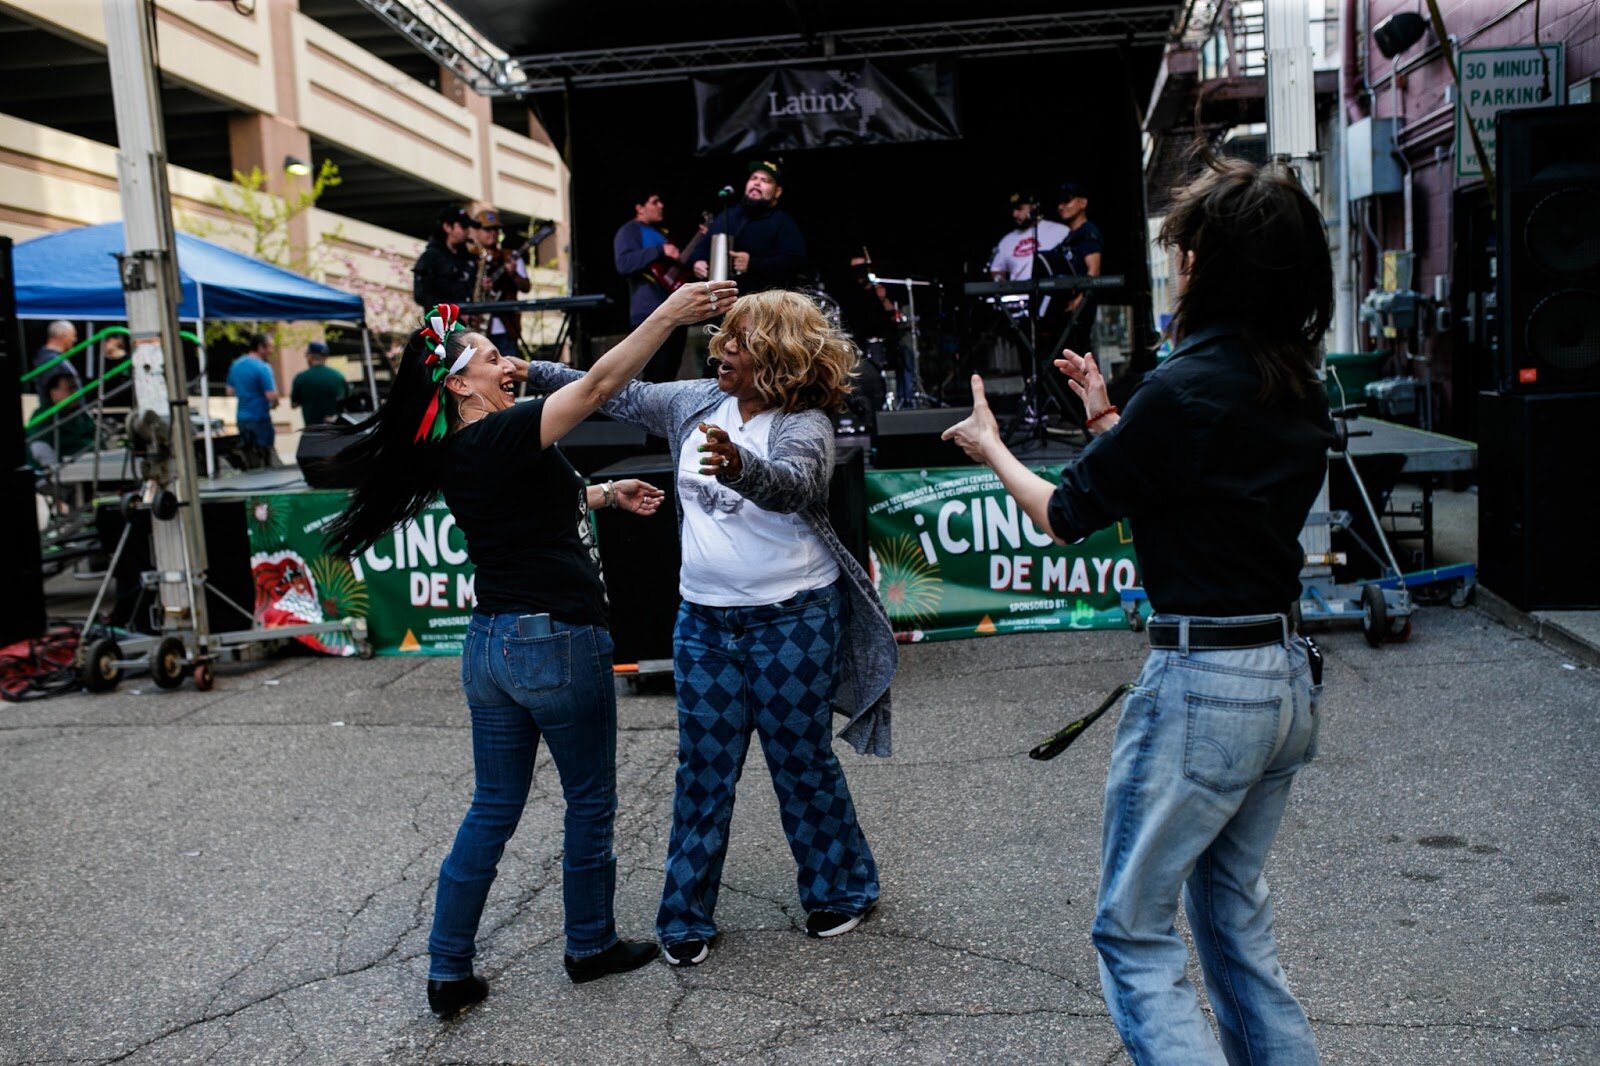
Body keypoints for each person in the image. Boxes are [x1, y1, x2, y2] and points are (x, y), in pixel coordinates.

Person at [943, 156, 1334, 1065]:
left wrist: (992, 447)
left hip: (1208, 686)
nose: (1177, 265)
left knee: (1133, 931)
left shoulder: (1187, 387)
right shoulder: (1291, 382)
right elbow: (1198, 488)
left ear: (1211, 265)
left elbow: (1065, 514)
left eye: (1186, 251)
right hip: (1281, 680)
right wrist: (1107, 416)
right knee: (1232, 918)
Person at [323, 278, 736, 1017]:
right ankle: (590, 945)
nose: (503, 362)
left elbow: (526, 511)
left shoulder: (465, 448)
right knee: (589, 803)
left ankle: (448, 971)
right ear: (459, 384)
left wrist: (607, 497)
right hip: (552, 638)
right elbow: (607, 382)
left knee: (492, 809)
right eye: (487, 356)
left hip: (491, 645)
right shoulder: (500, 431)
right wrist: (671, 311)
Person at [517, 288, 896, 970]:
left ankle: (844, 889)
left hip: (794, 623)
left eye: (739, 341)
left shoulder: (804, 421)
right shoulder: (694, 402)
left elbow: (798, 485)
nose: (722, 347)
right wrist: (531, 373)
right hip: (704, 626)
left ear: (777, 355)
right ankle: (686, 915)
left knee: (800, 764)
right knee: (704, 772)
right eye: (722, 336)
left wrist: (741, 467)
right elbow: (614, 392)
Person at [692, 161, 807, 292]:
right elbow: (702, 246)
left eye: (765, 180)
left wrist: (752, 264)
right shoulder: (728, 215)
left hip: (759, 302)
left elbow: (795, 262)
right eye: (754, 178)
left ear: (777, 192)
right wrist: (698, 261)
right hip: (718, 299)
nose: (757, 183)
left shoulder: (783, 222)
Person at [614, 190, 692, 383]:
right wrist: (660, 250)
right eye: (655, 202)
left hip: (675, 310)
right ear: (640, 208)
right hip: (649, 312)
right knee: (656, 374)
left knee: (671, 371)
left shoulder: (662, 233)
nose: (660, 206)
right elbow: (623, 263)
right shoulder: (630, 230)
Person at [1045, 180, 1105, 358]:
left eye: (1068, 201)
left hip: (1079, 309)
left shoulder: (1087, 232)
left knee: (1079, 354)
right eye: (1060, 203)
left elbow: (1093, 271)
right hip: (1065, 308)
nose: (1062, 206)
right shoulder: (1067, 237)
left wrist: (1079, 301)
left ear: (1082, 203)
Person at [467, 206, 531, 354]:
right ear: (476, 231)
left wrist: (513, 274)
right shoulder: (468, 257)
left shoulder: (511, 256)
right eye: (488, 230)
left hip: (506, 328)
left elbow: (526, 287)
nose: (493, 233)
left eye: (496, 229)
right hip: (476, 327)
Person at [988, 192, 1069, 283]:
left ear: (1034, 207)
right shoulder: (1007, 240)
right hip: (1018, 294)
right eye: (1013, 210)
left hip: (1052, 293)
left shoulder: (1060, 230)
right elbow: (996, 269)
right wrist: (1002, 285)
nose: (1015, 214)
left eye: (1019, 209)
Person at [226, 332, 280, 460]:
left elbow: (229, 391)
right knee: (265, 456)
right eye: (270, 347)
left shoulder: (236, 364)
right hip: (260, 418)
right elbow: (271, 395)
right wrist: (275, 403)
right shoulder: (263, 367)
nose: (271, 351)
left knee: (249, 457)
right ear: (261, 347)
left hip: (242, 418)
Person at [413, 205, 476, 313]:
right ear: (447, 227)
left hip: (468, 322)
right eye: (463, 226)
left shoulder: (468, 259)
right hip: (441, 324)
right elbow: (421, 295)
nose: (467, 232)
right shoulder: (430, 257)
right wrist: (453, 310)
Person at [290, 341, 348, 427]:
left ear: (310, 356)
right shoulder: (339, 376)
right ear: (325, 357)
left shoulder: (301, 378)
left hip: (313, 431)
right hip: (336, 431)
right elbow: (346, 401)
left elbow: (294, 404)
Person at [32, 320, 79, 405]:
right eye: (73, 335)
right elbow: (61, 396)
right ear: (63, 336)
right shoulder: (51, 361)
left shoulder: (50, 358)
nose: (74, 340)